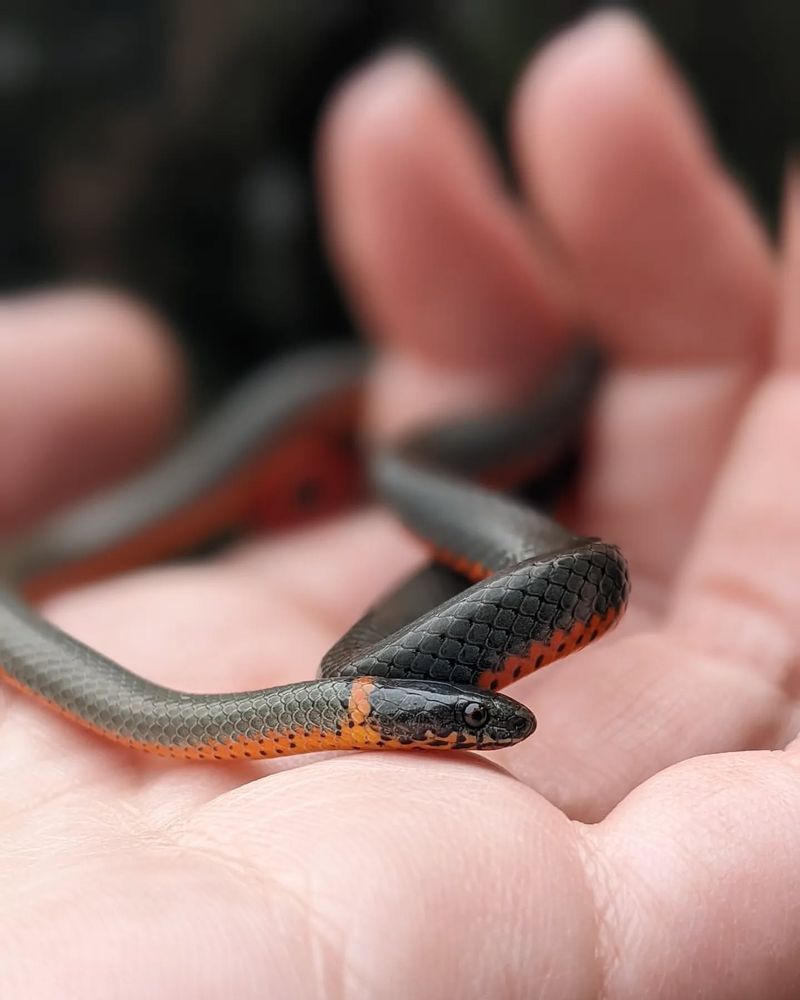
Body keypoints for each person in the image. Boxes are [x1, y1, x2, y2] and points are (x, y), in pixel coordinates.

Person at [2, 11, 797, 997]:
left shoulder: (353, 686)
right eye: (468, 719)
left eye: (471, 716)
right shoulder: (331, 695)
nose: (490, 722)